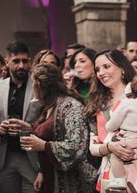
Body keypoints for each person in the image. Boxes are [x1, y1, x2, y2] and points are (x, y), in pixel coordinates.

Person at [19, 63, 96, 193]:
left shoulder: (71, 107)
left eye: (33, 83)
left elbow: (77, 146)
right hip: (49, 174)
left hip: (72, 181)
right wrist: (41, 171)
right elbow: (50, 133)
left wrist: (44, 146)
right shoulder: (49, 105)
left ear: (40, 85)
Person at [0, 41, 41, 193]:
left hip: (33, 158)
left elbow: (49, 122)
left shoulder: (40, 86)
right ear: (7, 62)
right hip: (6, 156)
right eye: (16, 61)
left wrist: (30, 128)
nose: (21, 66)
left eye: (25, 61)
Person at [87, 50, 136, 191]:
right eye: (97, 69)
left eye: (106, 67)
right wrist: (109, 147)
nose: (101, 73)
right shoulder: (97, 103)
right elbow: (92, 146)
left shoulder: (133, 97)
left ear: (122, 67)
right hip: (110, 173)